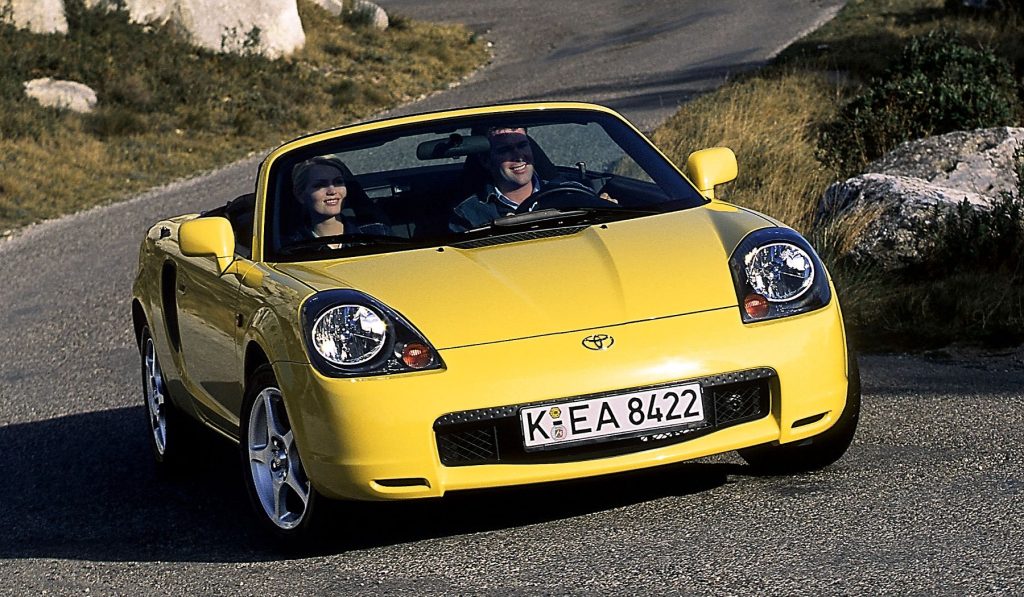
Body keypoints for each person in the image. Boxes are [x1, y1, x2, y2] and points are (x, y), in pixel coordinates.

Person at [448, 126, 609, 232]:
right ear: (486, 160)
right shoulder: (469, 214)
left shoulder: (572, 193)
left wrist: (609, 210)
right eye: (505, 150)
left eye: (522, 145)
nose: (519, 157)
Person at [288, 156, 388, 246]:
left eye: (338, 182)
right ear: (300, 195)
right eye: (320, 185)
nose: (332, 191)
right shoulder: (290, 246)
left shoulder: (377, 233)